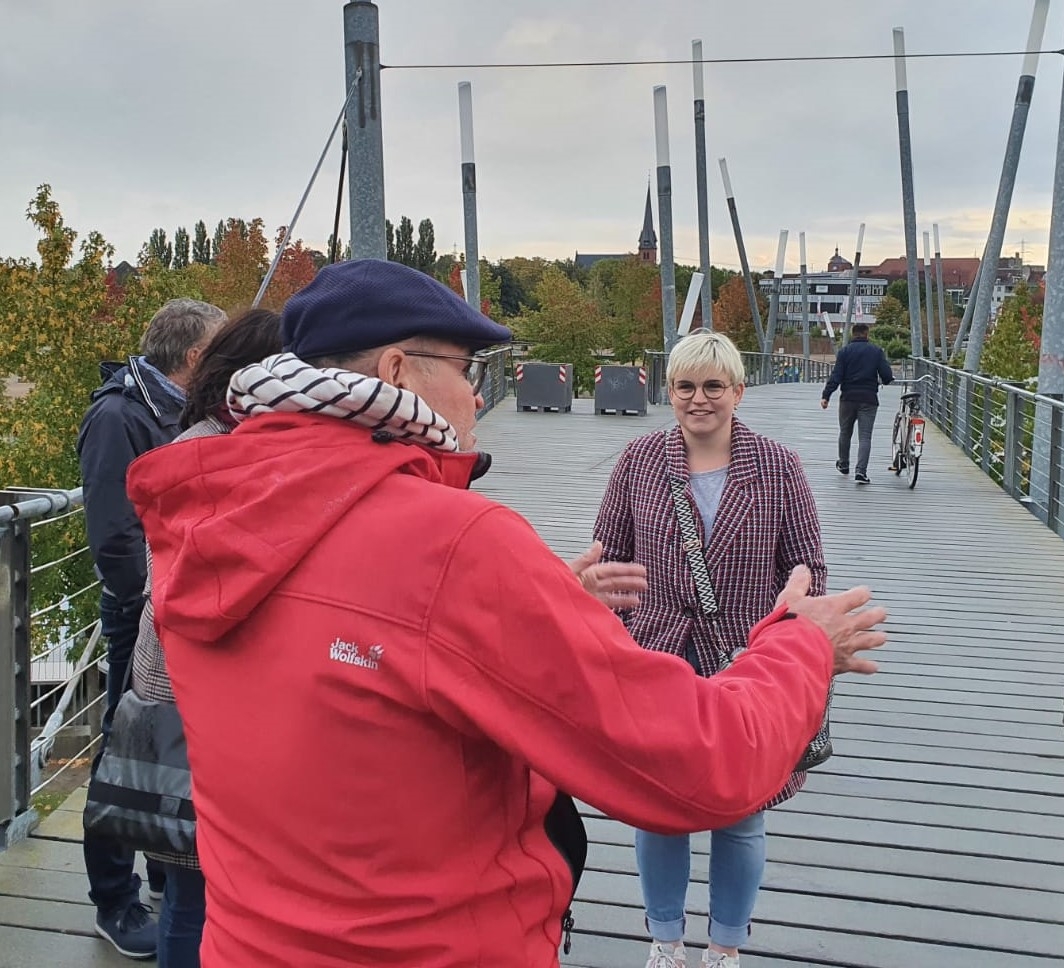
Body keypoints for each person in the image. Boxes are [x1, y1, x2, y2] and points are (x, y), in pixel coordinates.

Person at [125, 260, 888, 968]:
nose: (478, 396)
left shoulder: (201, 516)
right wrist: (800, 646)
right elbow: (700, 762)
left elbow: (352, 649)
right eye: (467, 369)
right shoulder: (453, 545)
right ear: (397, 371)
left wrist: (542, 603)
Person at [593, 331, 830, 968]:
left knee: (742, 813)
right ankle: (666, 939)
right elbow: (609, 564)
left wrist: (790, 636)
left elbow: (808, 568)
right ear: (667, 392)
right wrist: (610, 644)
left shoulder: (777, 466)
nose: (699, 399)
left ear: (738, 391)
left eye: (713, 386)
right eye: (686, 387)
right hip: (659, 658)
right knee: (659, 811)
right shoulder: (639, 463)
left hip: (744, 662)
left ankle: (724, 946)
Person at [129, 308, 283, 968]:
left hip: (165, 690)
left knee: (190, 886)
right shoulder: (236, 462)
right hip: (201, 701)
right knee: (202, 885)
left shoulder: (183, 446)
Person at [77, 297, 226, 958]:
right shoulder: (119, 414)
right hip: (143, 611)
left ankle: (165, 872)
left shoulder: (169, 409)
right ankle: (115, 900)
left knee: (167, 746)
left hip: (169, 609)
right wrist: (155, 601)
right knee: (127, 747)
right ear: (195, 356)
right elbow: (114, 535)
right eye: (218, 350)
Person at [819, 322, 894, 484]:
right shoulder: (876, 351)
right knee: (865, 437)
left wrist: (826, 395)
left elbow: (836, 376)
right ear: (867, 334)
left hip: (848, 398)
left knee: (845, 432)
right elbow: (887, 376)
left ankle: (844, 464)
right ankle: (861, 472)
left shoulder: (844, 352)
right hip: (868, 399)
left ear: (853, 334)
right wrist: (885, 379)